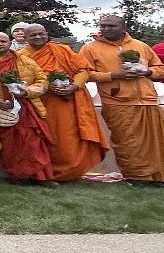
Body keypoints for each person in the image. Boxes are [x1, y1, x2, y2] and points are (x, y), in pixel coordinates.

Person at [79, 16, 164, 183]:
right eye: (103, 26)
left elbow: (160, 69)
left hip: (149, 101)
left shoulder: (140, 46)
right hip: (118, 102)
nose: (106, 29)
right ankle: (138, 178)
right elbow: (85, 73)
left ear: (123, 27)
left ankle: (163, 177)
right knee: (129, 144)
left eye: (111, 26)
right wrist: (114, 75)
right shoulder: (90, 48)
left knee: (162, 141)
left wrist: (146, 72)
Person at [19, 24, 108, 182]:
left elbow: (82, 70)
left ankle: (68, 173)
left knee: (66, 138)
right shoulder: (20, 56)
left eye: (41, 34)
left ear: (47, 33)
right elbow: (19, 81)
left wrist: (74, 86)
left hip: (64, 102)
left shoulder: (62, 50)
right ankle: (44, 174)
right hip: (36, 103)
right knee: (40, 139)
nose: (38, 37)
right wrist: (44, 87)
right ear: (25, 38)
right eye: (33, 35)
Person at [0, 32, 54, 186]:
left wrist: (26, 92)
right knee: (9, 146)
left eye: (3, 41)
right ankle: (17, 176)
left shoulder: (25, 60)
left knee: (33, 142)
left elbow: (42, 81)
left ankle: (43, 177)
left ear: (10, 43)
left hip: (26, 107)